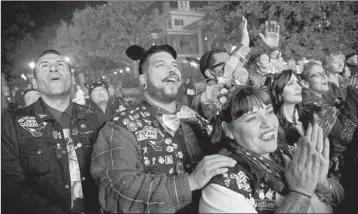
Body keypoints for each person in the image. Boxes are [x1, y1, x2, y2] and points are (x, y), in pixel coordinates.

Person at [90, 44, 236, 213]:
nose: (172, 70)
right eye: (161, 65)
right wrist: (190, 182)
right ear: (143, 80)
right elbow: (118, 190)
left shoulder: (193, 117)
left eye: (175, 66)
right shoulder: (120, 127)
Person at [199, 86, 344, 213]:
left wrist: (323, 185)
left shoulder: (287, 151)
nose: (267, 123)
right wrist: (300, 192)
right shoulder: (222, 186)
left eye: (269, 112)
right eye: (251, 118)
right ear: (228, 129)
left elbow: (340, 196)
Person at [2, 49, 101, 214]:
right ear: (34, 83)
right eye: (45, 65)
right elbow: (9, 186)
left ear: (72, 78)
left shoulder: (94, 118)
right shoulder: (11, 123)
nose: (53, 68)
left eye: (60, 64)